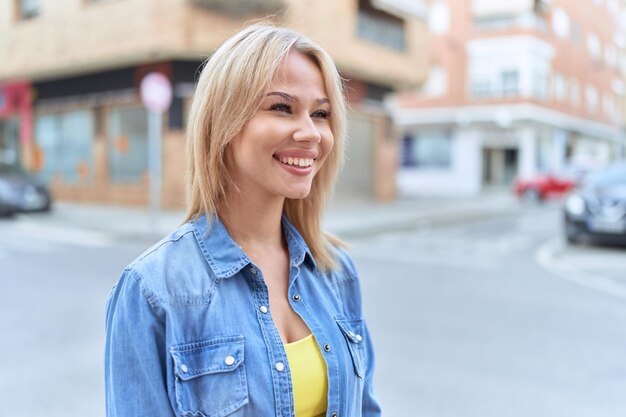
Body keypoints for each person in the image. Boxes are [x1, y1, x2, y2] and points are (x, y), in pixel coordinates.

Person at [104, 23, 381, 417]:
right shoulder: (153, 291)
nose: (311, 133)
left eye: (320, 113)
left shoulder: (336, 271)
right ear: (224, 124)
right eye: (281, 107)